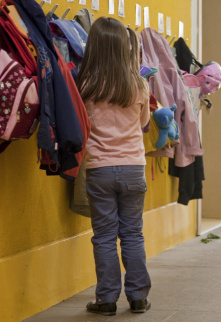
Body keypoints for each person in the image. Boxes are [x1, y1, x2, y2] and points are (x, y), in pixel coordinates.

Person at [76, 17, 151, 316]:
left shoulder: (86, 85)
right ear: (125, 47)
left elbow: (82, 125)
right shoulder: (139, 85)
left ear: (93, 47)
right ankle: (138, 298)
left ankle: (106, 300)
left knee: (105, 236)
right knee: (133, 233)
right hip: (133, 168)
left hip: (100, 169)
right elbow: (143, 123)